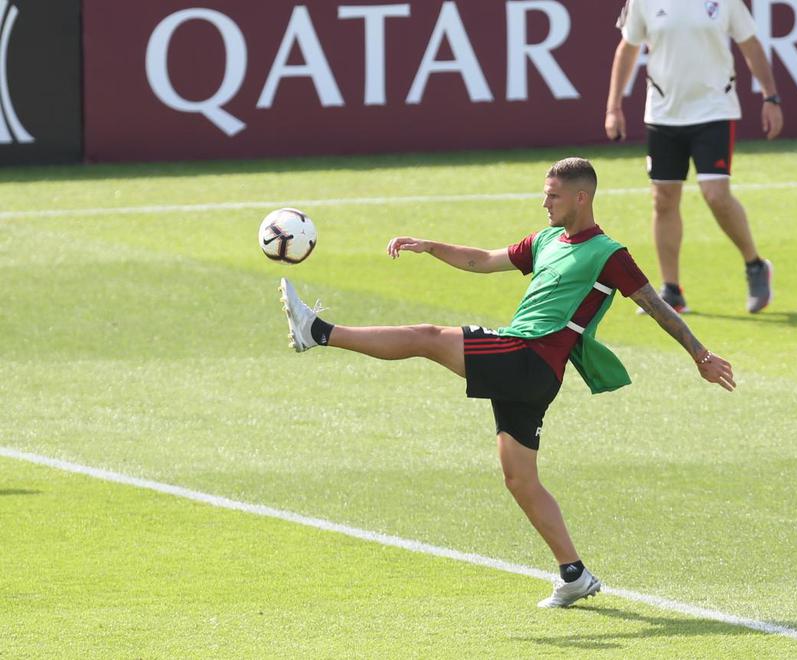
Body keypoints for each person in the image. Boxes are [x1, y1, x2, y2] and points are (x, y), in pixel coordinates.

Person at [277, 157, 735, 608]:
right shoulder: (548, 238)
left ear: (581, 197)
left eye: (553, 195)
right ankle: (574, 574)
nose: (545, 203)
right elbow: (482, 260)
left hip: (529, 357)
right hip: (530, 369)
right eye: (544, 194)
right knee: (520, 479)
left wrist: (701, 354)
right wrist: (429, 245)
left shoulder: (609, 254)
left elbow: (655, 304)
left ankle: (318, 332)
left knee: (427, 337)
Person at [605, 0, 783, 314]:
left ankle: (755, 265)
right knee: (663, 199)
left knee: (715, 194)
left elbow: (750, 43)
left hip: (714, 111)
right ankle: (671, 290)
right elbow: (628, 48)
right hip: (663, 114)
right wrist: (614, 106)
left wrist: (771, 96)